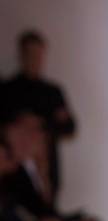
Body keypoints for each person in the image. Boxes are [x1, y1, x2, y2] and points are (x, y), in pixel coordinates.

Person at [0, 30, 77, 203]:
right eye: (30, 54)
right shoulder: (7, 90)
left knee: (47, 211)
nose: (35, 59)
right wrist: (18, 124)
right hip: (12, 175)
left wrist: (41, 125)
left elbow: (70, 127)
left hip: (45, 175)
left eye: (38, 55)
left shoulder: (52, 92)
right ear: (21, 55)